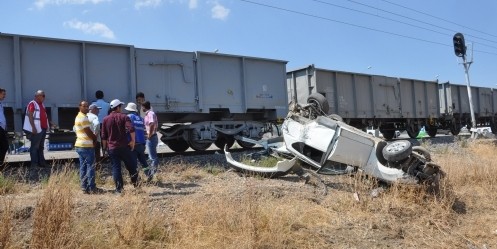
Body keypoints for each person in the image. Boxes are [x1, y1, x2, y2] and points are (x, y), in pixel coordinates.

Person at [101, 99, 139, 194]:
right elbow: (131, 129)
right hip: (124, 146)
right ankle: (136, 185)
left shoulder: (105, 119)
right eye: (120, 107)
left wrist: (104, 149)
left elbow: (104, 136)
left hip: (112, 148)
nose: (121, 108)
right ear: (117, 107)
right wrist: (133, 141)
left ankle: (119, 190)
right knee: (131, 166)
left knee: (116, 168)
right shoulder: (124, 117)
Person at [74, 101, 100, 194]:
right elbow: (88, 132)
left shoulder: (78, 117)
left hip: (79, 145)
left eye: (87, 106)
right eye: (84, 106)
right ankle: (92, 187)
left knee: (83, 167)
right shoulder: (83, 118)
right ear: (79, 107)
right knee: (90, 167)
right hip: (86, 145)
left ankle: (84, 187)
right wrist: (95, 138)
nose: (86, 108)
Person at [125, 102, 152, 182]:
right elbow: (144, 131)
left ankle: (136, 179)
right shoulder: (141, 118)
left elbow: (127, 130)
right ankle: (149, 175)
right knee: (143, 161)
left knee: (133, 163)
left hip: (133, 144)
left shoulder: (128, 117)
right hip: (141, 143)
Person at [23, 90, 49, 168]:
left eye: (44, 95)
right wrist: (33, 128)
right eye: (42, 95)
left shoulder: (42, 105)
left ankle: (42, 163)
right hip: (37, 129)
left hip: (43, 128)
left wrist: (49, 123)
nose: (44, 97)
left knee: (41, 147)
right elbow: (30, 116)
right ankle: (34, 164)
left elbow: (44, 116)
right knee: (35, 147)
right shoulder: (33, 104)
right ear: (37, 96)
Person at [143, 101, 158, 179]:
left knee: (152, 157)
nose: (142, 108)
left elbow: (152, 124)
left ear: (144, 107)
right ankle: (152, 174)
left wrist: (149, 135)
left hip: (151, 137)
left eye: (142, 107)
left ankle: (152, 174)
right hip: (152, 136)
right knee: (151, 156)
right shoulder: (149, 114)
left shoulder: (150, 114)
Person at [0, 88, 9, 165]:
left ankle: (1, 163)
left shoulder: (1, 104)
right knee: (4, 145)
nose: (4, 96)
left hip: (2, 127)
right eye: (3, 94)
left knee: (5, 145)